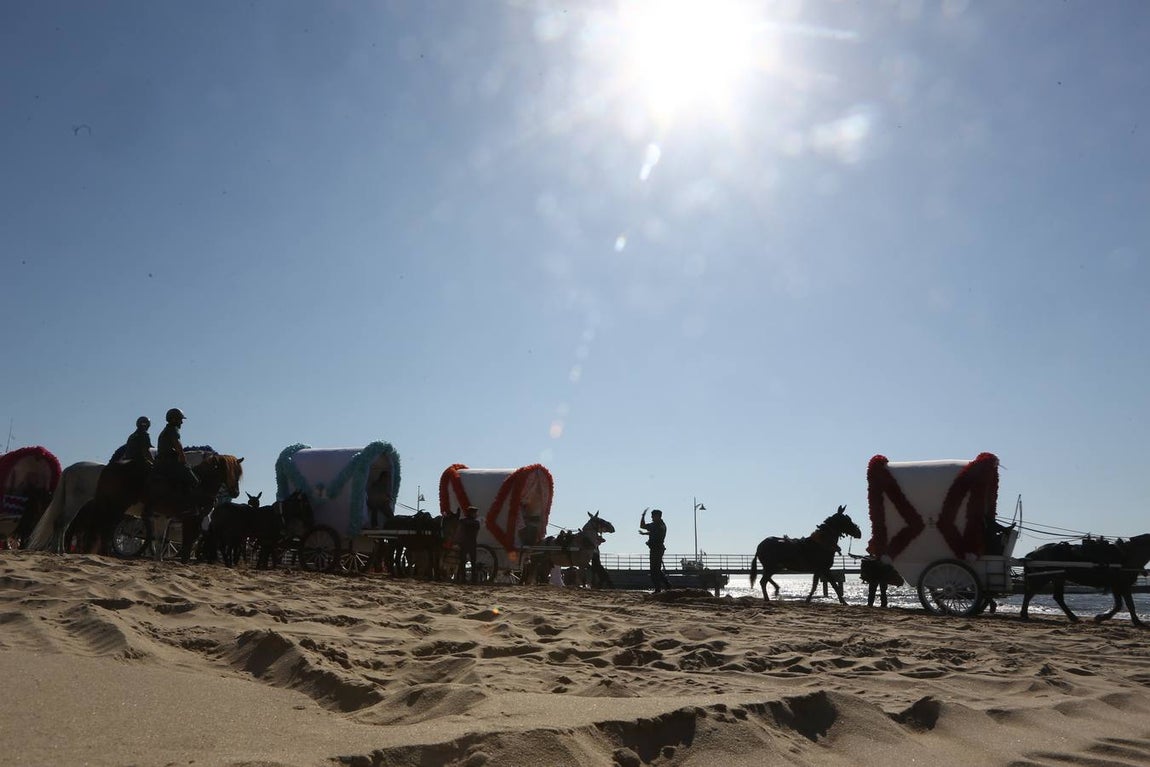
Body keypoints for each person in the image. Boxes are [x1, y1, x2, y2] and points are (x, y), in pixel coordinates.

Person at [155, 407, 198, 492]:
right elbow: (178, 445)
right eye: (180, 419)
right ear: (174, 419)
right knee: (194, 481)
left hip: (161, 462)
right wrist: (183, 460)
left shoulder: (165, 430)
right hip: (170, 462)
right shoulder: (173, 429)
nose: (181, 422)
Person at [639, 507, 672, 592]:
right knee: (656, 569)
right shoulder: (661, 525)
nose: (652, 518)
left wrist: (643, 516)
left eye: (653, 516)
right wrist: (645, 534)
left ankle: (659, 588)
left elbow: (642, 526)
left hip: (656, 549)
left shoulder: (657, 525)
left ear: (657, 516)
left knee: (654, 571)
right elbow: (653, 532)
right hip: (657, 549)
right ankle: (667, 585)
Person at [455, 506, 481, 584]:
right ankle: (473, 579)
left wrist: (457, 541)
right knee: (473, 561)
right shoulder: (476, 523)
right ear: (472, 513)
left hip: (463, 543)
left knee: (462, 561)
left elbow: (459, 532)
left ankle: (462, 578)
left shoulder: (462, 521)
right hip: (472, 543)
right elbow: (476, 532)